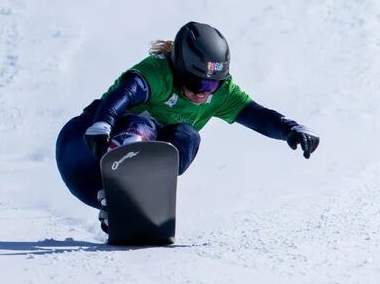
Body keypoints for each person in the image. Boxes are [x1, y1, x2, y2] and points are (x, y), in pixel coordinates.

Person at [55, 21, 320, 230]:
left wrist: (290, 129)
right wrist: (102, 124)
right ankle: (119, 195)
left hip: (125, 158)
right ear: (179, 69)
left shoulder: (221, 93)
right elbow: (120, 97)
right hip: (82, 150)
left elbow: (258, 115)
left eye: (213, 84)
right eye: (197, 83)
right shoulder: (157, 72)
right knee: (143, 123)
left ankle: (142, 197)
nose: (204, 92)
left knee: (187, 136)